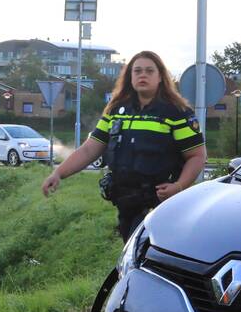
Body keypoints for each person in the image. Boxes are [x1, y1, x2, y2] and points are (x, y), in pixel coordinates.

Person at [42, 51, 207, 240]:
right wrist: (58, 173)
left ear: (160, 76)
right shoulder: (117, 110)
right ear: (130, 77)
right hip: (126, 202)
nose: (142, 75)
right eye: (137, 71)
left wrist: (178, 187)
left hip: (159, 203)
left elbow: (197, 156)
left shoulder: (177, 112)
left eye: (149, 71)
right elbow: (90, 149)